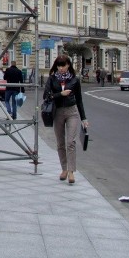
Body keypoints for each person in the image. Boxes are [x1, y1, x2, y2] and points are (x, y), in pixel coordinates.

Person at [43, 54, 89, 184]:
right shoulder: (52, 79)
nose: (61, 68)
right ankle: (64, 169)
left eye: (63, 65)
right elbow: (46, 96)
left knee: (71, 142)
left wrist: (84, 118)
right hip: (57, 112)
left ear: (68, 65)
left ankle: (71, 171)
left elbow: (79, 100)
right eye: (58, 65)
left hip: (72, 111)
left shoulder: (74, 80)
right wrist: (60, 94)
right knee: (60, 143)